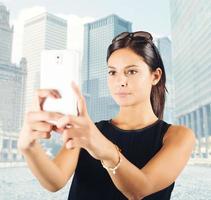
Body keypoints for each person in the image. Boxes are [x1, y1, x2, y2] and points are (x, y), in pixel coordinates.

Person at [18, 31, 196, 200]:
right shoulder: (88, 131)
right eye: (112, 72)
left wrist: (106, 151)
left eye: (131, 71)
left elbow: (140, 190)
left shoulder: (177, 136)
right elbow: (54, 181)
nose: (121, 81)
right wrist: (29, 147)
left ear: (155, 76)